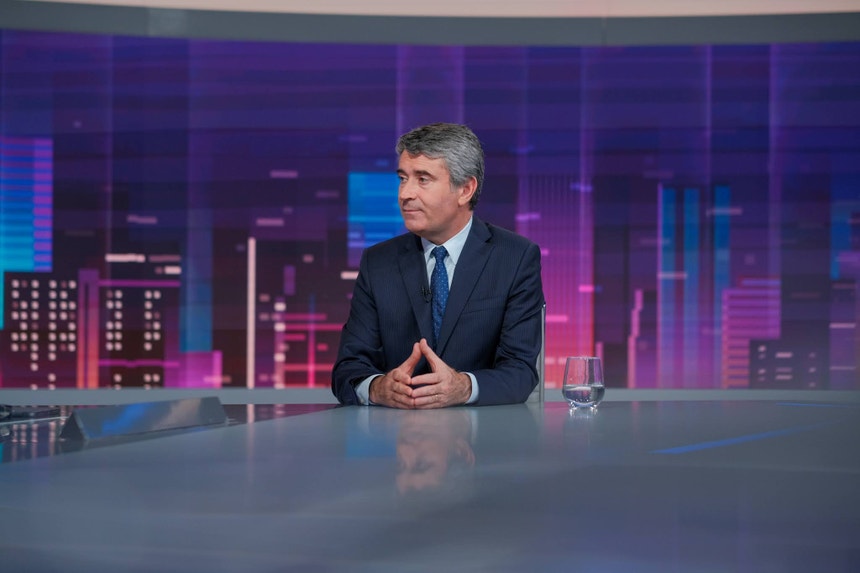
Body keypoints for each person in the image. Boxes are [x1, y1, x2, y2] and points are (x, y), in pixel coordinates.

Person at [332, 122, 544, 408]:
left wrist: (464, 387)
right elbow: (347, 370)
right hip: (397, 432)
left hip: (484, 434)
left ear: (465, 189)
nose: (405, 194)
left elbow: (520, 372)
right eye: (403, 178)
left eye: (423, 179)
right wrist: (377, 388)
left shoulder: (515, 258)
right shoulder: (377, 262)